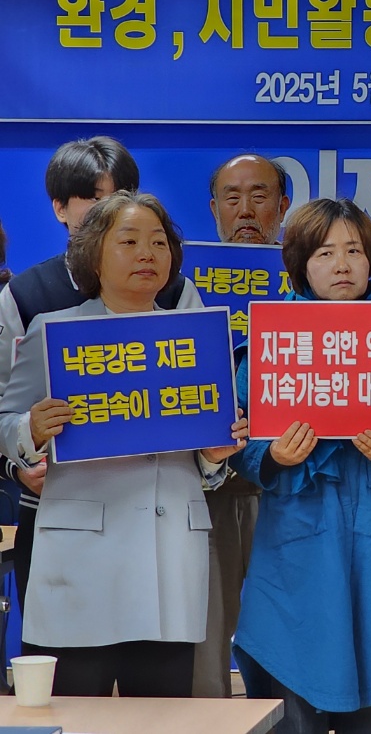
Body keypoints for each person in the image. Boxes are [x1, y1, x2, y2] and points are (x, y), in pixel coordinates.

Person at [0, 191, 247, 696]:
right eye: (129, 241)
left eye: (158, 242)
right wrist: (32, 429)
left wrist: (213, 456)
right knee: (74, 712)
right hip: (83, 558)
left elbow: (204, 459)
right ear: (94, 256)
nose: (146, 254)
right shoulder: (55, 331)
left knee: (161, 714)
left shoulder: (196, 338)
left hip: (168, 554)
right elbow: (6, 421)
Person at [231, 197, 371, 733]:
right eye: (325, 253)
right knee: (292, 689)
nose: (342, 265)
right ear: (301, 264)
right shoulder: (269, 339)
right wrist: (272, 457)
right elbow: (235, 438)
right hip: (298, 536)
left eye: (354, 250)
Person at [0, 137, 201, 619]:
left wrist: (213, 454)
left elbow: (202, 404)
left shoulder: (176, 294)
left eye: (123, 194)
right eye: (93, 197)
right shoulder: (27, 297)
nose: (111, 208)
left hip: (158, 518)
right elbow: (8, 413)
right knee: (66, 649)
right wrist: (19, 464)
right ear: (59, 208)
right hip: (58, 513)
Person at [193, 152, 293, 700]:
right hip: (207, 483)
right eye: (232, 198)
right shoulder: (179, 284)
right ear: (214, 209)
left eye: (260, 196)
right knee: (208, 637)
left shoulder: (306, 277)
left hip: (288, 480)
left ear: (283, 205)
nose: (246, 210)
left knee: (289, 629)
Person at [210, 153, 291, 246]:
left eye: (258, 196)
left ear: (281, 208)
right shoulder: (198, 256)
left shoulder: (298, 256)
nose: (245, 211)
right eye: (233, 198)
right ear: (215, 211)